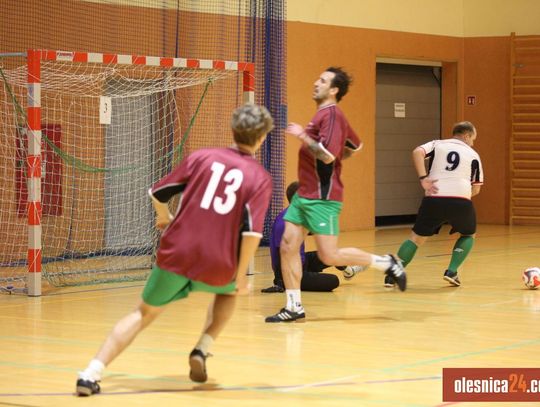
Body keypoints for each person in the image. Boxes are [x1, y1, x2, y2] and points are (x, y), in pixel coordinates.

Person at [75, 103, 274, 396]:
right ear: (263, 137)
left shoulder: (201, 157)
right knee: (228, 292)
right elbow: (252, 233)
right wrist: (241, 275)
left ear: (233, 129)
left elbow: (156, 192)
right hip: (218, 261)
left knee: (142, 314)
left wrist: (164, 216)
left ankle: (91, 373)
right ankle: (202, 348)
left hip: (177, 252)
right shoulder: (259, 177)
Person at [265, 67, 406, 323]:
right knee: (288, 246)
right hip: (304, 194)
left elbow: (328, 156)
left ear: (334, 90)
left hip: (322, 196)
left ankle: (387, 263)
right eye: (317, 78)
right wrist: (337, 154)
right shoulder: (325, 115)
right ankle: (294, 306)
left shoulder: (331, 115)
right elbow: (355, 146)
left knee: (329, 255)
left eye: (322, 80)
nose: (315, 83)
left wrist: (303, 136)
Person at [384, 121, 483, 289]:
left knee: (416, 239)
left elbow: (417, 152)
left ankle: (393, 275)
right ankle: (451, 271)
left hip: (434, 197)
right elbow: (476, 188)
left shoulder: (437, 144)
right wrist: (460, 196)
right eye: (473, 139)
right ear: (467, 136)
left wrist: (423, 179)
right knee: (468, 234)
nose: (473, 143)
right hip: (461, 201)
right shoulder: (473, 154)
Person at [261, 181, 364, 293]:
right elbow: (282, 254)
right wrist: (281, 281)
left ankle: (349, 272)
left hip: (301, 262)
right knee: (333, 281)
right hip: (290, 272)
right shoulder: (285, 223)